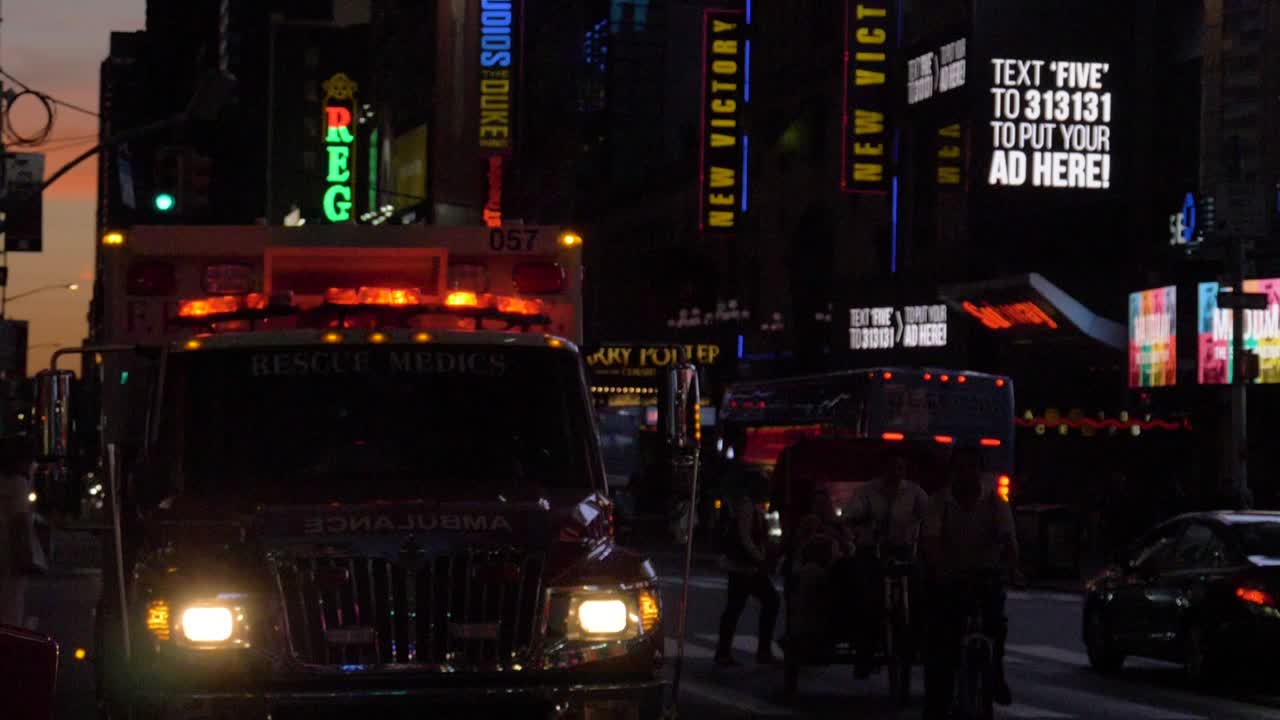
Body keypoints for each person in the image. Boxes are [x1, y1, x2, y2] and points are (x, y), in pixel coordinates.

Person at [921, 448, 1020, 718]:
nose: (967, 475)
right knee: (941, 642)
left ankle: (996, 673)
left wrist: (1012, 568)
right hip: (950, 578)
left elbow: (1008, 539)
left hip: (985, 575)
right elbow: (931, 542)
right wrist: (941, 568)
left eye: (972, 468)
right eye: (961, 469)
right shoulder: (939, 502)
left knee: (995, 625)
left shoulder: (994, 502)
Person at [844, 451, 929, 677]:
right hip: (871, 551)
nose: (896, 472)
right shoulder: (867, 491)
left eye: (900, 467)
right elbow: (851, 512)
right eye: (892, 466)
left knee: (921, 587)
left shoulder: (913, 492)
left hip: (903, 551)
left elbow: (930, 513)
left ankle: (919, 640)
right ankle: (865, 651)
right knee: (866, 594)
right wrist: (859, 518)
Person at [715, 469, 780, 666]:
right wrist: (760, 558)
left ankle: (725, 652)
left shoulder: (751, 506)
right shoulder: (746, 507)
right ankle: (759, 651)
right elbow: (745, 537)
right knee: (768, 602)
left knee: (736, 608)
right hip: (744, 567)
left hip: (745, 567)